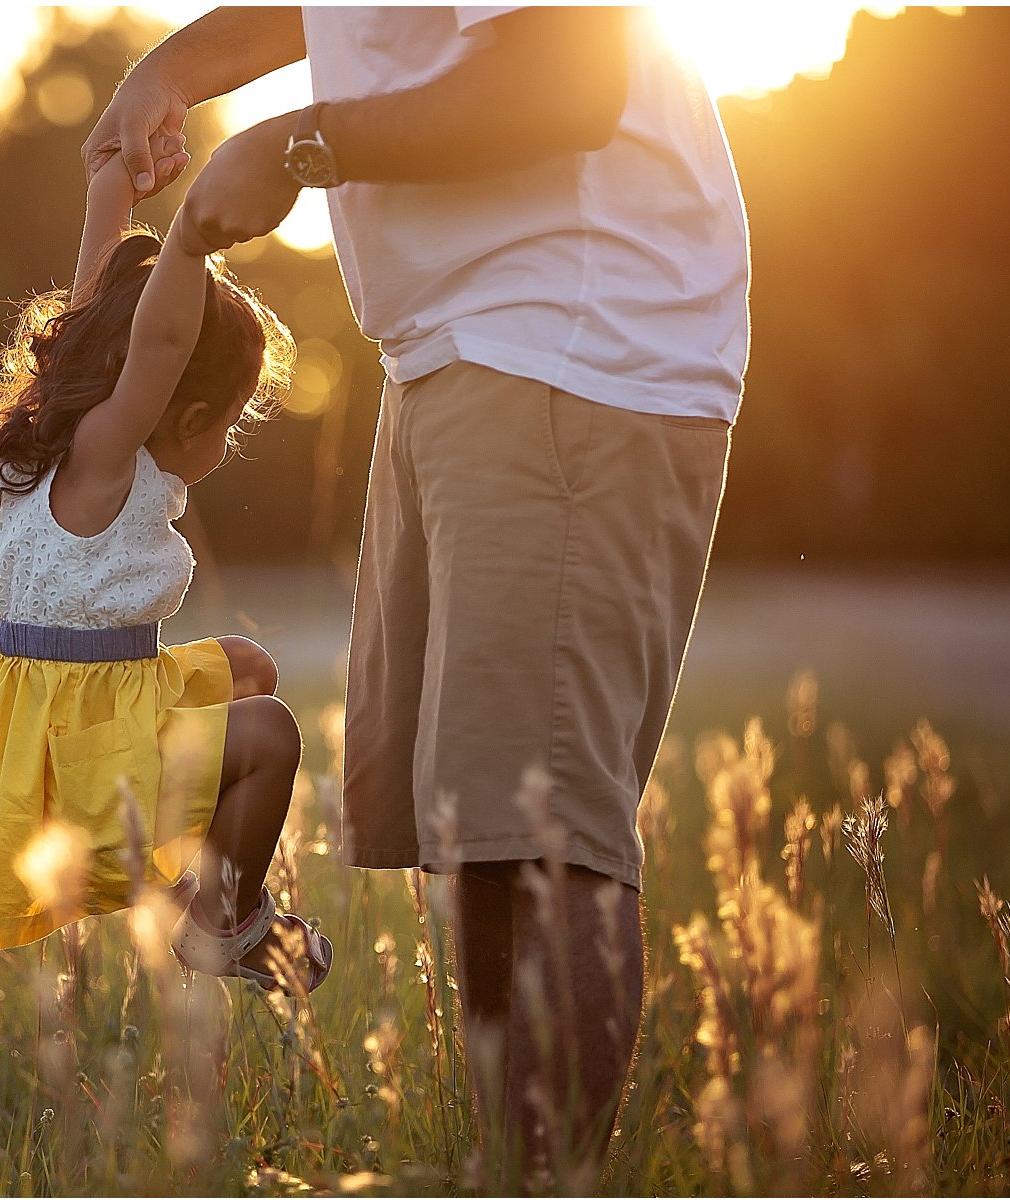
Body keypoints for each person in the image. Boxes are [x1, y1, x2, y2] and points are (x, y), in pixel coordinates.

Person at [84, 5, 748, 1180]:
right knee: (474, 832)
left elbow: (562, 80)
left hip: (566, 336)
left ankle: (545, 1184)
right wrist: (174, 69)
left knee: (535, 839)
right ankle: (513, 1172)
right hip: (455, 347)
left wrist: (298, 146)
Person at [0, 130, 332, 995]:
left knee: (246, 668)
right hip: (91, 756)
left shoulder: (40, 444)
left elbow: (95, 311)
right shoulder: (109, 455)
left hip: (67, 715)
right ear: (181, 415)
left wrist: (111, 188)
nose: (224, 444)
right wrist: (187, 238)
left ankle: (194, 887)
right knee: (271, 736)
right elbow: (155, 346)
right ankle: (223, 922)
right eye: (226, 422)